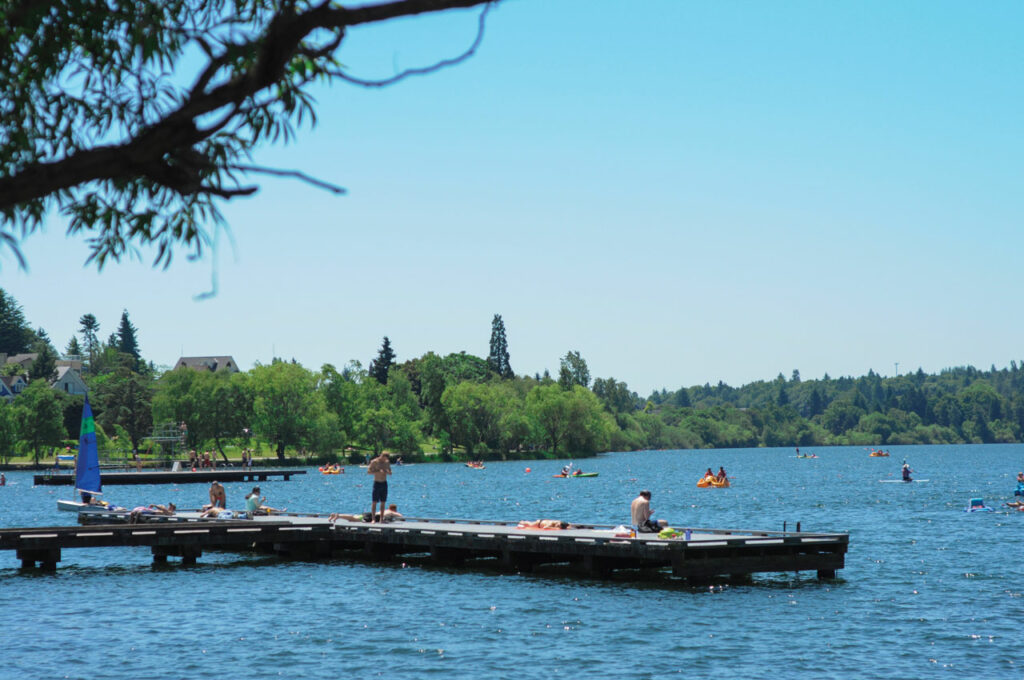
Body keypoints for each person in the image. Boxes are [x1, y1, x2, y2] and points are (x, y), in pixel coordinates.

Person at [367, 452, 392, 523]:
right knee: (374, 501)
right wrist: (377, 471)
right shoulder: (374, 462)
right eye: (384, 458)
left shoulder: (387, 462)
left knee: (383, 502)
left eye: (386, 459)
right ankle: (373, 519)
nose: (385, 460)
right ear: (382, 456)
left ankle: (381, 518)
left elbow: (390, 472)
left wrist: (387, 472)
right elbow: (368, 472)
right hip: (377, 483)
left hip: (384, 483)